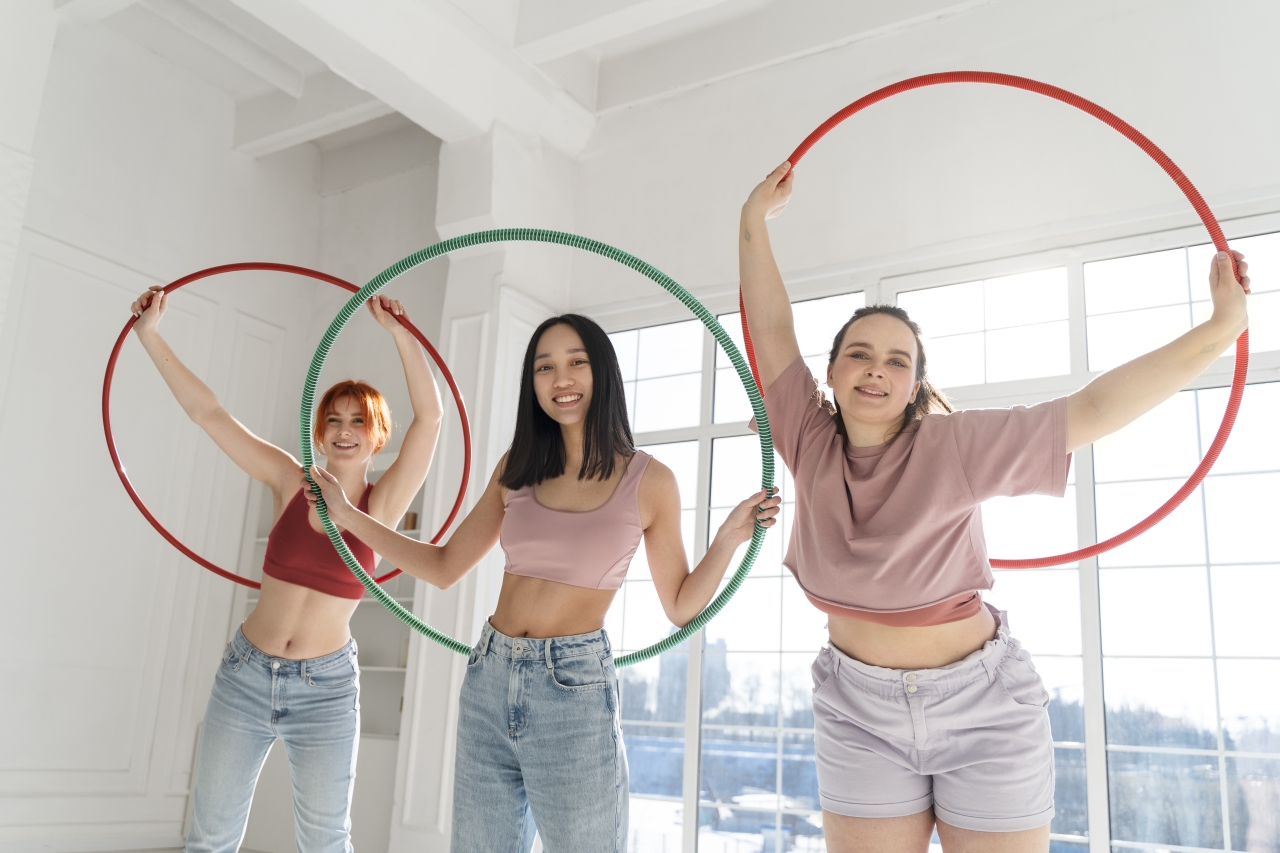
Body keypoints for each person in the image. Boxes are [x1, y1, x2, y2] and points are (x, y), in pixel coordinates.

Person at [738, 162, 1250, 853]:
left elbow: (1092, 408)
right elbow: (769, 324)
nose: (876, 369)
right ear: (829, 374)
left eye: (897, 360)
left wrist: (1221, 328)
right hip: (855, 709)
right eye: (858, 354)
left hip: (979, 707)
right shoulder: (803, 435)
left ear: (917, 385)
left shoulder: (955, 444)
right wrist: (751, 222)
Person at [308, 313, 781, 852]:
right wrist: (346, 515)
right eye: (544, 367)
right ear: (531, 384)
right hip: (489, 677)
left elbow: (679, 606)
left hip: (573, 692)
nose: (561, 379)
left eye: (577, 362)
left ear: (602, 372)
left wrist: (726, 541)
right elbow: (443, 567)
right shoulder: (517, 467)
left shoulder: (650, 481)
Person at [129, 285, 443, 853]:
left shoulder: (384, 502)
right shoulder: (287, 478)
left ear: (377, 436)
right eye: (334, 419)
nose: (344, 430)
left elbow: (432, 418)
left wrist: (400, 332)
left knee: (326, 842)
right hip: (245, 675)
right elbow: (209, 413)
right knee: (210, 838)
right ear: (318, 429)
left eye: (358, 421)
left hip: (324, 688)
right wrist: (149, 334)